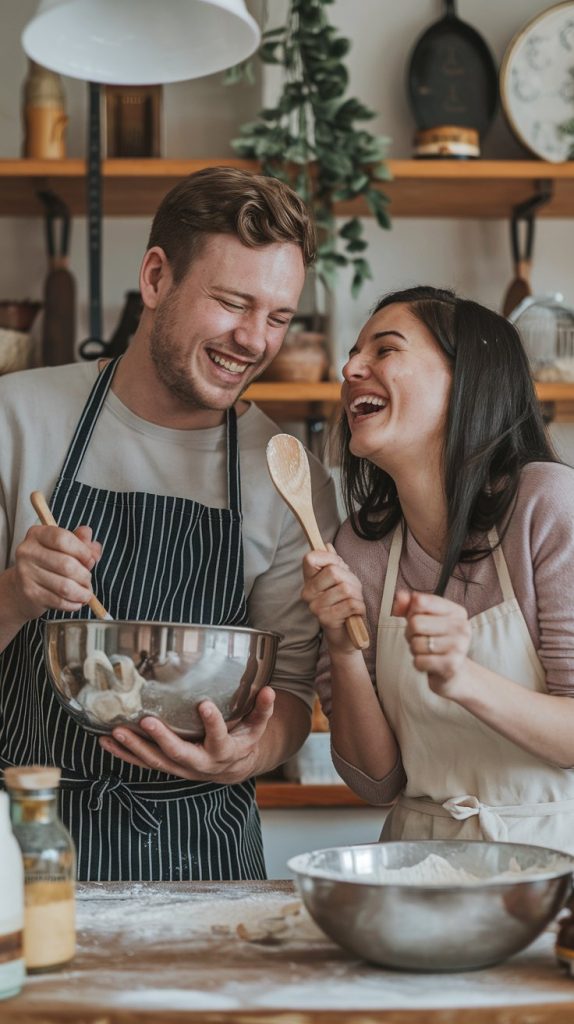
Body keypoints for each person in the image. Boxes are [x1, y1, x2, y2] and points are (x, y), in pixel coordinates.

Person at [0, 166, 339, 881]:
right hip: (26, 844)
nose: (254, 340)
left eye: (278, 317)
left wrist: (242, 755)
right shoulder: (15, 419)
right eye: (233, 302)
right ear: (156, 278)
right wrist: (15, 596)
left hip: (204, 859)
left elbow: (295, 696)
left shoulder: (281, 473)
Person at [302, 285, 574, 853]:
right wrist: (343, 645)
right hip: (418, 866)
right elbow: (375, 781)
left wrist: (463, 678)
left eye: (385, 350)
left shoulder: (548, 506)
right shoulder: (359, 547)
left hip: (555, 868)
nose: (351, 367)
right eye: (355, 353)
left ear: (465, 379)